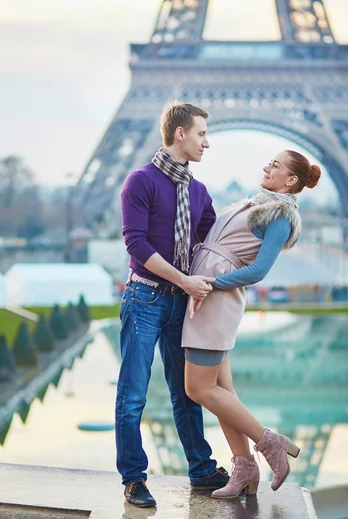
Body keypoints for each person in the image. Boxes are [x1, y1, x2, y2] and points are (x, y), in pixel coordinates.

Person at [182, 150, 321, 499]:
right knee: (222, 392)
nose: (266, 167)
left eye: (275, 165)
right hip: (205, 294)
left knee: (197, 389)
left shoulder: (281, 216)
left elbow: (260, 270)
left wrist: (209, 284)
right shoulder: (255, 203)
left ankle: (269, 443)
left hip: (214, 298)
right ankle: (244, 466)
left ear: (291, 180)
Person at [116, 101, 229, 508]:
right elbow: (136, 243)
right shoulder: (140, 181)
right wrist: (184, 280)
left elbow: (214, 243)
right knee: (133, 394)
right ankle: (133, 478)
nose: (206, 142)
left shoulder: (197, 192)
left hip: (182, 303)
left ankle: (201, 469)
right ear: (179, 133)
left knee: (187, 392)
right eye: (201, 133)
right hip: (145, 297)